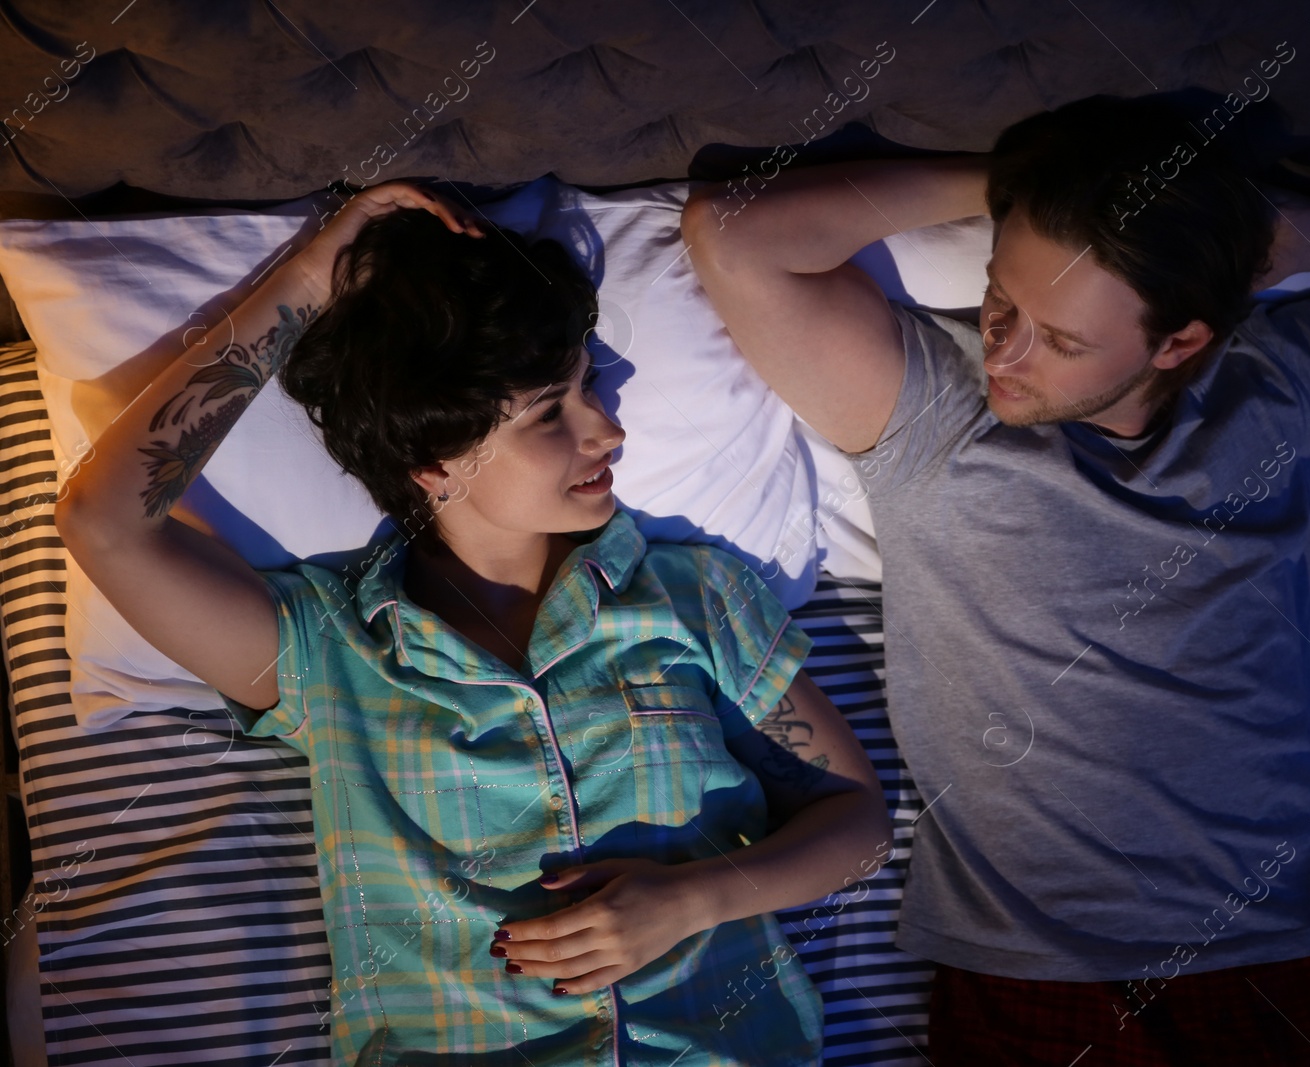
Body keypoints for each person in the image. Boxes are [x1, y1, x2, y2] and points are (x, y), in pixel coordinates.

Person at [683, 93, 1310, 1063]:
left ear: (1180, 341)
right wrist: (1029, 187)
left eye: (1063, 338)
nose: (1004, 348)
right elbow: (734, 234)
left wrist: (1281, 233)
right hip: (1032, 970)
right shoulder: (936, 414)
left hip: (1281, 958)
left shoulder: (1276, 383)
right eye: (1003, 299)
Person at [56, 180, 893, 1065]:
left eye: (588, 384)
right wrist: (312, 277)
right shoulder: (329, 652)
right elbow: (102, 521)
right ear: (431, 463)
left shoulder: (692, 595)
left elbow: (858, 825)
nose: (607, 427)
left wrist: (693, 899)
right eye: (548, 412)